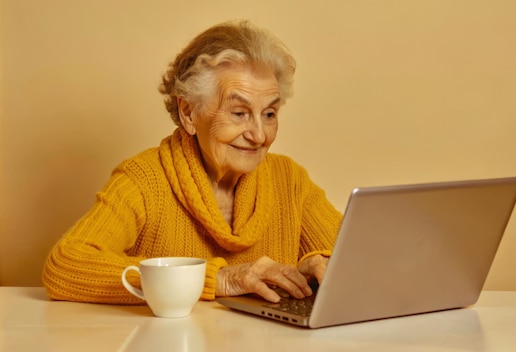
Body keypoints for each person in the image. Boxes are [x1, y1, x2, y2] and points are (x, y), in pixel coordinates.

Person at [42, 20, 342, 304]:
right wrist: (220, 279)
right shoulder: (144, 179)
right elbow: (66, 266)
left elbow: (362, 256)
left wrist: (317, 263)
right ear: (188, 113)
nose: (259, 135)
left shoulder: (288, 179)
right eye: (239, 113)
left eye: (269, 114)